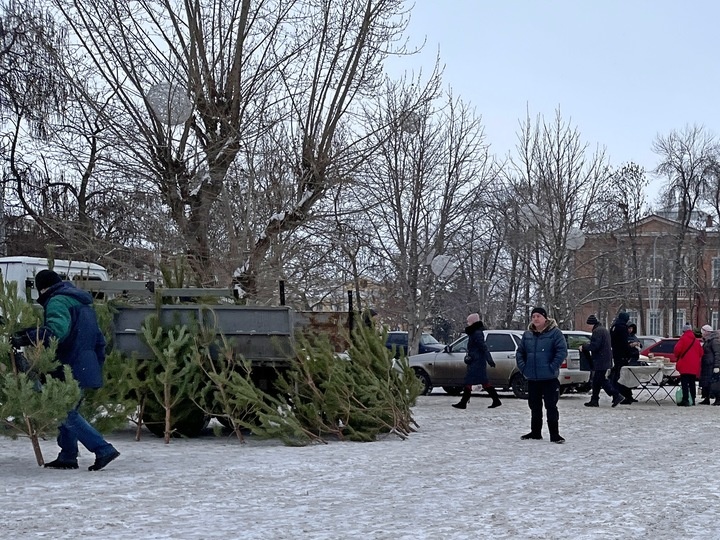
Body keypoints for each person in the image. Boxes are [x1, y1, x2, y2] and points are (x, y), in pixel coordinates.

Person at [11, 270, 120, 471]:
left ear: (42, 287)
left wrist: (25, 338)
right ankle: (68, 455)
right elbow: (99, 339)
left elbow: (56, 332)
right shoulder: (82, 303)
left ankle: (103, 449)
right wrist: (97, 363)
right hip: (84, 363)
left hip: (68, 363)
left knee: (64, 410)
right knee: (68, 410)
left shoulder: (58, 301)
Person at [516, 307, 567, 443]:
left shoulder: (555, 333)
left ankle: (554, 434)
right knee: (534, 406)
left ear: (545, 318)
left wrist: (552, 366)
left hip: (549, 378)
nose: (535, 319)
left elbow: (561, 351)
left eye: (538, 316)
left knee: (551, 406)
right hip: (532, 377)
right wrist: (524, 368)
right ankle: (535, 432)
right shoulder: (527, 335)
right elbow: (520, 353)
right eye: (533, 316)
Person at [452, 313, 502, 410]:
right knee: (483, 382)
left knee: (469, 381)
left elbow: (484, 347)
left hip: (477, 361)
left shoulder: (477, 333)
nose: (467, 323)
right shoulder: (475, 332)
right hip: (476, 360)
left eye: (469, 321)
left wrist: (489, 359)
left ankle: (463, 403)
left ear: (473, 322)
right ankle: (496, 400)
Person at [580, 315, 624, 408]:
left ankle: (616, 395)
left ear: (592, 324)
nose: (588, 327)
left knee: (601, 379)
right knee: (596, 380)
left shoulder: (597, 331)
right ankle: (594, 399)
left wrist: (584, 347)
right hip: (605, 358)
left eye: (588, 325)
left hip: (600, 360)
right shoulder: (603, 330)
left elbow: (595, 346)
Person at [673, 323, 702, 406]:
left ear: (684, 330)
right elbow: (701, 353)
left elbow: (677, 350)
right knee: (692, 382)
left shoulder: (683, 339)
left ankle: (685, 399)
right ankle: (693, 399)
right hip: (694, 365)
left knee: (684, 382)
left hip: (685, 365)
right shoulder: (696, 340)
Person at [609, 312, 635, 404]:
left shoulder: (614, 327)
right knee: (623, 376)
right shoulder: (622, 328)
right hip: (622, 356)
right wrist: (629, 352)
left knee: (618, 375)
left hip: (616, 354)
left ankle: (622, 395)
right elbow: (624, 343)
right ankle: (625, 395)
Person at [699, 325, 720, 405]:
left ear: (707, 332)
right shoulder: (708, 341)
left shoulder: (714, 341)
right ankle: (706, 398)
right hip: (707, 364)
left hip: (712, 365)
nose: (702, 334)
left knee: (715, 383)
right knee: (706, 382)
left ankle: (718, 398)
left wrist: (717, 366)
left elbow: (717, 354)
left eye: (703, 332)